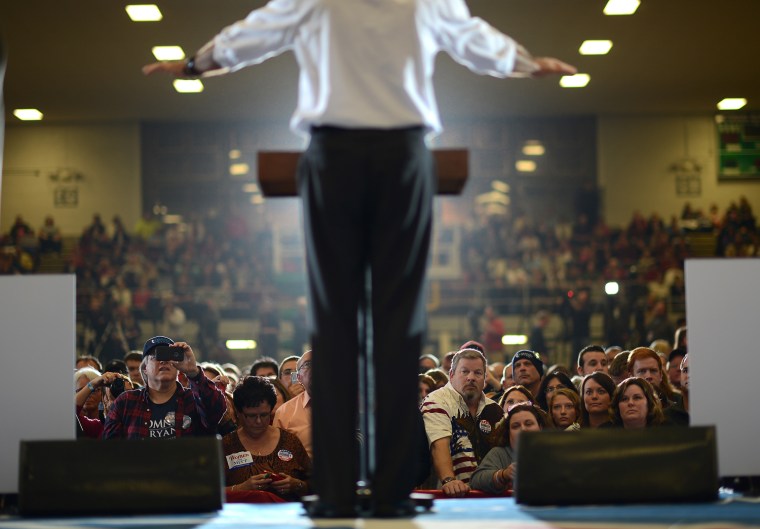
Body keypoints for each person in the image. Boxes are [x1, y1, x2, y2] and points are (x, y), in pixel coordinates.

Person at [143, 0, 575, 517]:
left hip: (338, 154)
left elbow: (256, 33)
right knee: (395, 323)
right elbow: (472, 38)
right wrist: (523, 62)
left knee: (336, 322)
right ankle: (389, 490)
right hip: (396, 152)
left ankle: (336, 489)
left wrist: (198, 64)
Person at [103, 336, 227, 439]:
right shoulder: (126, 402)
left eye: (169, 355)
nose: (164, 361)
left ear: (178, 366)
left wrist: (194, 372)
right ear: (145, 368)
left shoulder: (193, 399)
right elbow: (111, 449)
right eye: (157, 356)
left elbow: (217, 410)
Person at [421, 349, 503, 497]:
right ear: (451, 375)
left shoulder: (494, 409)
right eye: (464, 372)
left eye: (477, 373)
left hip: (492, 494)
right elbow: (439, 444)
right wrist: (449, 480)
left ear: (485, 379)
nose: (471, 377)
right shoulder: (436, 401)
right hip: (452, 497)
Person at [223, 376, 310, 500]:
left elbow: (315, 484)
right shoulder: (226, 445)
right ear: (238, 412)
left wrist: (296, 485)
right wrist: (241, 488)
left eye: (264, 415)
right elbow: (210, 491)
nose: (258, 421)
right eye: (251, 416)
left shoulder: (290, 442)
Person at [470, 403, 547, 494]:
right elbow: (476, 481)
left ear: (540, 427)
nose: (523, 429)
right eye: (515, 426)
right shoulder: (499, 453)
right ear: (508, 432)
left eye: (528, 424)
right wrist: (503, 475)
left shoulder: (554, 452)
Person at [273, 350, 313, 458]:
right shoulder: (284, 412)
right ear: (299, 377)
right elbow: (280, 455)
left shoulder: (348, 403)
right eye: (308, 364)